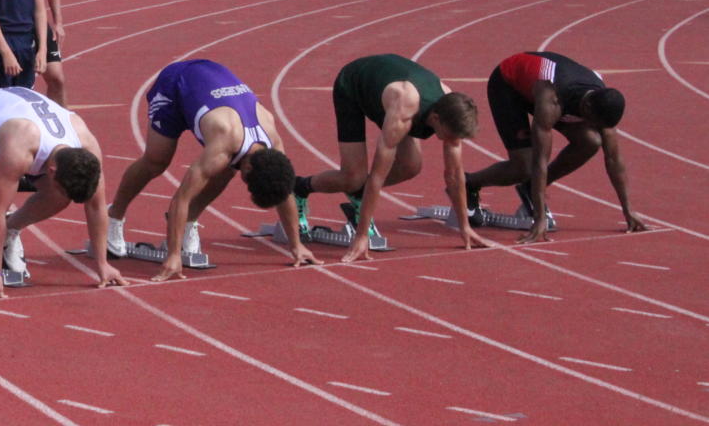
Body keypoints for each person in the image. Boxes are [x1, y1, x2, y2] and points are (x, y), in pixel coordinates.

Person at [109, 60, 316, 279]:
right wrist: (173, 256)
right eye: (247, 181)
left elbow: (283, 191)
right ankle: (114, 216)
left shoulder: (273, 144)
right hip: (176, 84)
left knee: (226, 169)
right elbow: (181, 198)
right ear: (249, 167)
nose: (243, 182)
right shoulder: (224, 143)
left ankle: (189, 222)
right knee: (156, 161)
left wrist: (296, 246)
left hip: (210, 83)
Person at [0, 86, 124, 301]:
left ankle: (11, 231)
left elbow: (96, 206)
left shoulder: (88, 149)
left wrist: (103, 264)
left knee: (58, 196)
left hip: (17, 123)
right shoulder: (19, 152)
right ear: (51, 172)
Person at [291, 54, 488, 263]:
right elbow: (377, 175)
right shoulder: (404, 111)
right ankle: (299, 188)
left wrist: (464, 226)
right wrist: (361, 236)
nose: (453, 141)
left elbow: (455, 176)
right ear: (436, 119)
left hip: (389, 89)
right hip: (353, 85)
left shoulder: (451, 108)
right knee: (353, 177)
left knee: (411, 166)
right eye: (450, 135)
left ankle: (359, 197)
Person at [465, 51, 647, 243]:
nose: (599, 127)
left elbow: (614, 158)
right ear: (586, 109)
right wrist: (539, 219)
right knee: (524, 167)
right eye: (595, 122)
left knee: (591, 142)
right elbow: (540, 161)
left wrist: (629, 210)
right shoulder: (552, 99)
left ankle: (530, 188)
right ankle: (470, 183)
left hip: (546, 88)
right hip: (508, 85)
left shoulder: (601, 102)